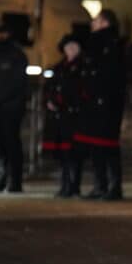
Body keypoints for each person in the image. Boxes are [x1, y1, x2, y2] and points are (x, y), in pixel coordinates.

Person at [74, 9, 126, 200]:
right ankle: (100, 185)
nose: (92, 24)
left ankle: (114, 186)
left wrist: (100, 95)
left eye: (96, 20)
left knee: (108, 146)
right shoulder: (95, 43)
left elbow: (111, 75)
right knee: (95, 146)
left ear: (105, 22)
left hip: (106, 103)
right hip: (94, 102)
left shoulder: (112, 44)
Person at [42, 34, 84, 197]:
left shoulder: (81, 67)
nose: (71, 50)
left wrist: (63, 101)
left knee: (73, 154)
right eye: (68, 47)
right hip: (59, 116)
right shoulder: (59, 68)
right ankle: (65, 185)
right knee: (63, 155)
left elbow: (77, 91)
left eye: (74, 47)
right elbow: (50, 87)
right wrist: (50, 101)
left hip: (73, 116)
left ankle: (73, 185)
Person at [0, 22, 29, 193]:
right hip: (4, 106)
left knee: (11, 145)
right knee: (1, 147)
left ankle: (15, 180)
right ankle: (2, 178)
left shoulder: (16, 55)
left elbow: (17, 83)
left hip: (10, 108)